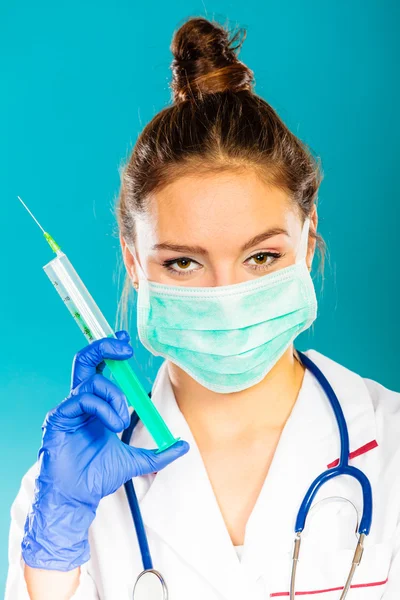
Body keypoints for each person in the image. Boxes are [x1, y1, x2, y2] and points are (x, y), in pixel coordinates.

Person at [5, 16, 400, 600]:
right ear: (135, 262)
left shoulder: (390, 445)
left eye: (262, 257)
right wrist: (51, 564)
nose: (226, 297)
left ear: (309, 237)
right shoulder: (68, 496)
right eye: (183, 263)